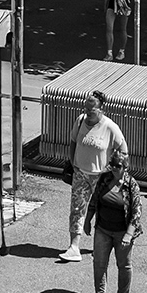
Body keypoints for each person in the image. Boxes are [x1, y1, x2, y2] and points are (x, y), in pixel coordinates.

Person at [82, 130, 141, 293]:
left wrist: (128, 235)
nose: (114, 168)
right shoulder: (104, 178)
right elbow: (94, 199)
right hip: (103, 229)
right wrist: (88, 219)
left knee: (123, 264)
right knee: (99, 262)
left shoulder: (131, 185)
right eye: (112, 164)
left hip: (122, 232)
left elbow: (136, 213)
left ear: (125, 167)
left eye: (118, 166)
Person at [58, 89, 117, 262]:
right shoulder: (80, 121)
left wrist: (113, 170)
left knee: (101, 211)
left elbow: (122, 149)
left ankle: (100, 248)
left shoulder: (110, 127)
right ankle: (73, 247)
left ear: (101, 110)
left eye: (91, 110)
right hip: (80, 174)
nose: (87, 113)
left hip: (100, 176)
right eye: (86, 108)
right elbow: (73, 142)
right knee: (77, 209)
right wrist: (73, 162)